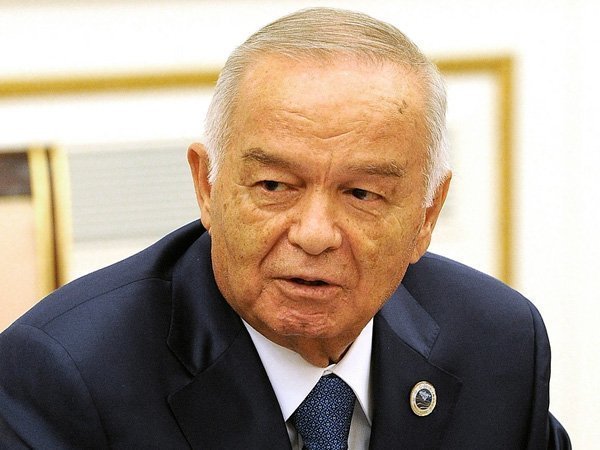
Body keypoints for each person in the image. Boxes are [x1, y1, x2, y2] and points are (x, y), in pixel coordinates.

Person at [0, 7, 570, 449]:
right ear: (206, 186)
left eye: (362, 194)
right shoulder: (65, 377)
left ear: (426, 215)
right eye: (274, 186)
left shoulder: (497, 344)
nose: (314, 234)